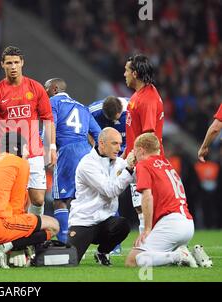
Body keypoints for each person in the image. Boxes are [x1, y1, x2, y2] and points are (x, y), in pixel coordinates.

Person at [0, 132, 59, 269]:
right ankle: (2, 248)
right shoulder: (19, 163)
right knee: (53, 225)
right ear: (17, 148)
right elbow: (16, 208)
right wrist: (19, 245)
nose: (27, 153)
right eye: (26, 148)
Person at [0, 46, 56, 217]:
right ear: (2, 65)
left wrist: (51, 146)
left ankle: (32, 234)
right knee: (11, 199)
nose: (13, 66)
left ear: (22, 63)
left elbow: (47, 119)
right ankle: (11, 236)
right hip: (8, 154)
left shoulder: (36, 88)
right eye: (9, 63)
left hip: (34, 152)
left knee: (38, 199)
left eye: (16, 62)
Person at [125, 133, 212, 268]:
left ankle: (179, 255)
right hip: (187, 223)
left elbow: (147, 196)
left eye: (134, 151)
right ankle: (191, 253)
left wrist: (147, 229)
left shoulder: (144, 165)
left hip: (171, 223)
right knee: (159, 256)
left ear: (141, 150)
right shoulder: (166, 163)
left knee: (133, 260)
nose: (133, 154)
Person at [44, 78, 100, 244]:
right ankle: (111, 245)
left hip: (67, 151)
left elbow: (49, 126)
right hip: (87, 152)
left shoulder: (53, 102)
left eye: (46, 88)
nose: (44, 92)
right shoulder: (83, 107)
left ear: (54, 89)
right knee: (88, 198)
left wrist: (46, 147)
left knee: (61, 201)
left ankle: (63, 242)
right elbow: (99, 134)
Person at [67, 127, 134, 266]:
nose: (119, 148)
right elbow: (110, 190)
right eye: (114, 143)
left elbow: (137, 176)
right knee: (70, 261)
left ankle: (102, 252)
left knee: (122, 225)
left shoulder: (118, 162)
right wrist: (129, 170)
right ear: (102, 143)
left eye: (120, 144)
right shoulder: (87, 164)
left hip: (105, 222)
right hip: (84, 221)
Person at [123, 54, 165, 234]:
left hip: (145, 161)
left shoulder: (147, 99)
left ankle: (150, 244)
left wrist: (136, 159)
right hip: (136, 159)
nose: (123, 74)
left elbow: (149, 135)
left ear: (134, 73)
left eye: (126, 70)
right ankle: (148, 243)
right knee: (139, 205)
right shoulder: (139, 95)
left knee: (144, 205)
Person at [89, 95, 129, 254]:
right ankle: (114, 244)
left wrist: (125, 156)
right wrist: (96, 148)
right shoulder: (93, 110)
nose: (113, 122)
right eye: (109, 119)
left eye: (116, 119)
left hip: (128, 153)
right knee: (109, 194)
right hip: (106, 156)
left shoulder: (133, 107)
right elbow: (85, 127)